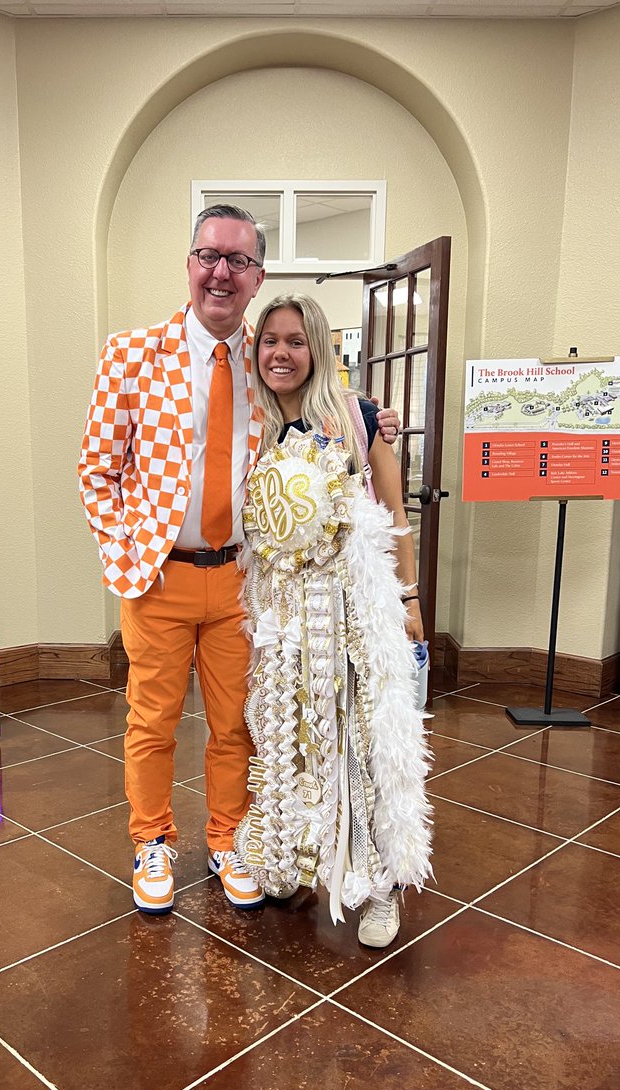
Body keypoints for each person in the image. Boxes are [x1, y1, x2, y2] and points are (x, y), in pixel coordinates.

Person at [78, 204, 401, 918]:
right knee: (151, 721)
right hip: (159, 577)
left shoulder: (264, 359)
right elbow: (96, 472)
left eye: (239, 261)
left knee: (238, 725)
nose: (220, 272)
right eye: (208, 256)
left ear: (257, 276)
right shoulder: (132, 355)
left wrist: (371, 415)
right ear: (190, 265)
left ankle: (229, 839)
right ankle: (152, 842)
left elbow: (321, 396)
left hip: (242, 580)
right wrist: (127, 554)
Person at [236, 293, 431, 949]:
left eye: (295, 340)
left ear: (316, 347)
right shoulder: (253, 426)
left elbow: (395, 512)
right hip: (282, 619)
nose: (281, 353)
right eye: (270, 340)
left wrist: (409, 600)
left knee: (359, 745)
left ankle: (380, 887)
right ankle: (293, 864)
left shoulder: (359, 416)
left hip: (350, 612)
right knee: (288, 742)